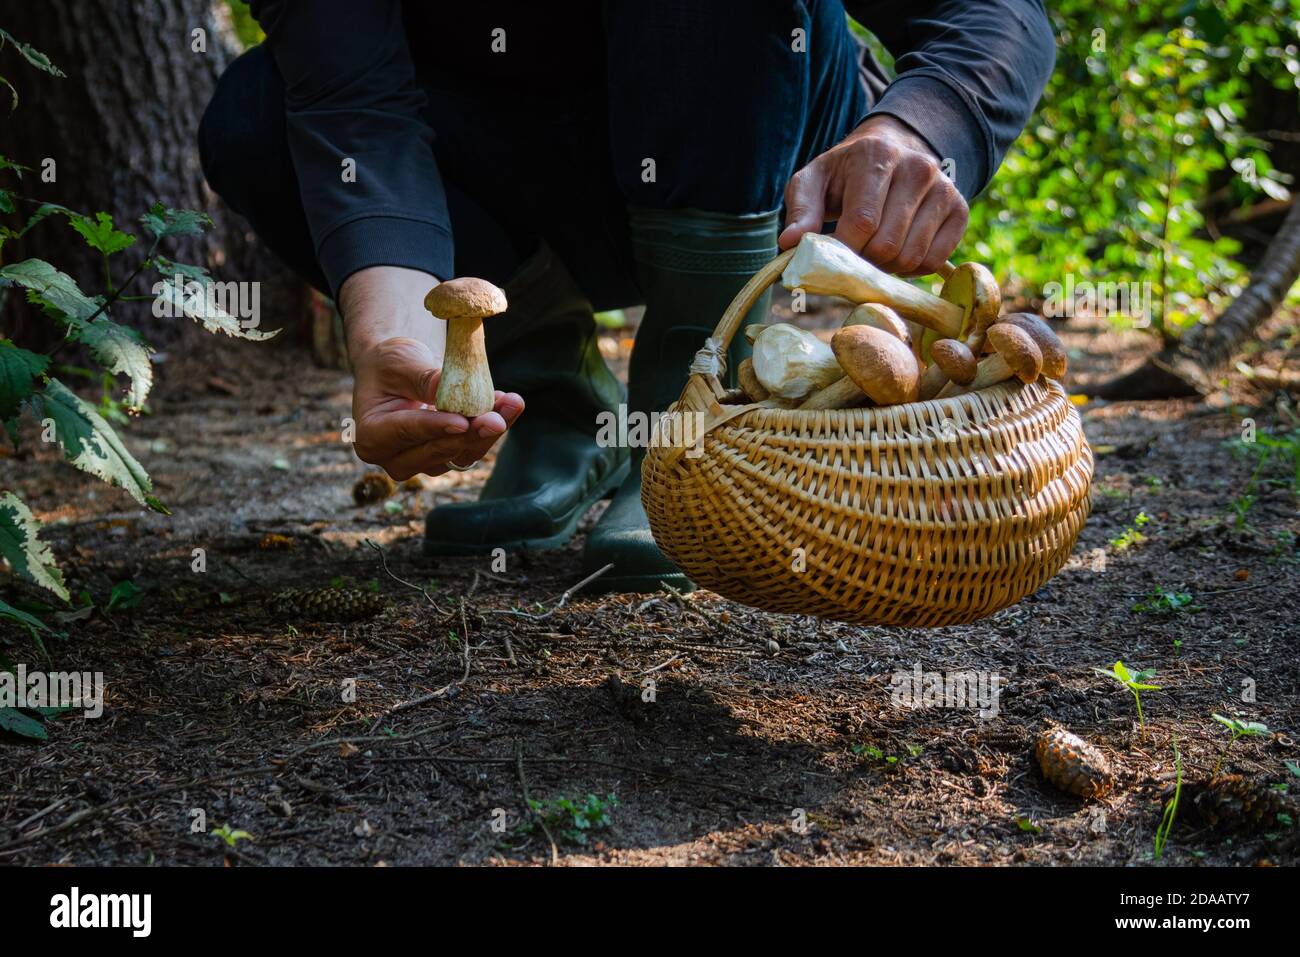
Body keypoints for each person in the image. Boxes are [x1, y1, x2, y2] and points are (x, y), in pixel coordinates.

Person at [199, 1, 1055, 593]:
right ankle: (554, 403)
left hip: (755, 124)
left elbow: (993, 16)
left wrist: (911, 130)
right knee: (252, 118)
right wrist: (395, 339)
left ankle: (683, 430)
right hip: (513, 164)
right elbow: (352, 104)